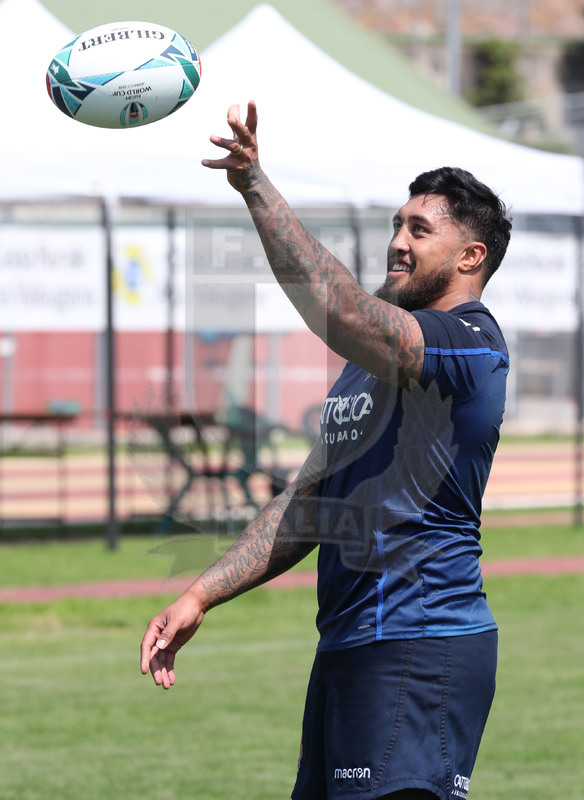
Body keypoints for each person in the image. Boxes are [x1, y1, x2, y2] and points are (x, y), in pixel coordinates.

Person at [140, 101, 512, 800]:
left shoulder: (471, 343)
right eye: (398, 224)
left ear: (471, 257)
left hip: (420, 642)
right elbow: (310, 503)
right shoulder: (370, 364)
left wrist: (254, 183)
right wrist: (200, 593)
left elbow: (339, 307)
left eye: (420, 230)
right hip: (349, 644)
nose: (398, 241)